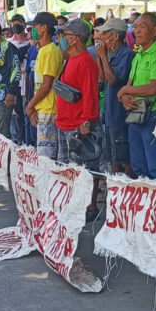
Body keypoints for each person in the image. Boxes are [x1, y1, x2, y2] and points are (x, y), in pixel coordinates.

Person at [118, 12, 156, 181]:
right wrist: (124, 97)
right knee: (139, 166)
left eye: (141, 27)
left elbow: (154, 88)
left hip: (154, 115)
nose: (136, 31)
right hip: (136, 113)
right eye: (134, 27)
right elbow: (129, 85)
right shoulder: (138, 55)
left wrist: (124, 92)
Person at [55, 19, 102, 219]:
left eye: (64, 36)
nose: (61, 40)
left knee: (85, 169)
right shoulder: (71, 59)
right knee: (69, 169)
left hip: (79, 124)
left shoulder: (85, 61)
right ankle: (74, 203)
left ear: (74, 39)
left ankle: (89, 206)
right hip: (65, 121)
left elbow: (90, 94)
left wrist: (87, 122)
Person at [95, 18, 134, 175]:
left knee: (123, 159)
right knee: (112, 158)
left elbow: (113, 80)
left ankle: (126, 189)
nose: (102, 38)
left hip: (120, 115)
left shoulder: (126, 54)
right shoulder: (112, 55)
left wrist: (103, 57)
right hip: (110, 113)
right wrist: (100, 57)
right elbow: (102, 78)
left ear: (115, 36)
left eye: (105, 35)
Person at [24, 12, 62, 159]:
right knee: (43, 153)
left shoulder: (51, 51)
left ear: (44, 28)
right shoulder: (42, 50)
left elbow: (46, 86)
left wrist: (30, 105)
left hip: (49, 109)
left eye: (35, 26)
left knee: (47, 157)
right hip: (43, 108)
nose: (33, 30)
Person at [8, 23, 31, 144]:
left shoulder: (30, 46)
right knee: (19, 115)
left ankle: (27, 142)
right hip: (18, 85)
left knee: (26, 115)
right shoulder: (9, 44)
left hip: (28, 85)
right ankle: (21, 140)